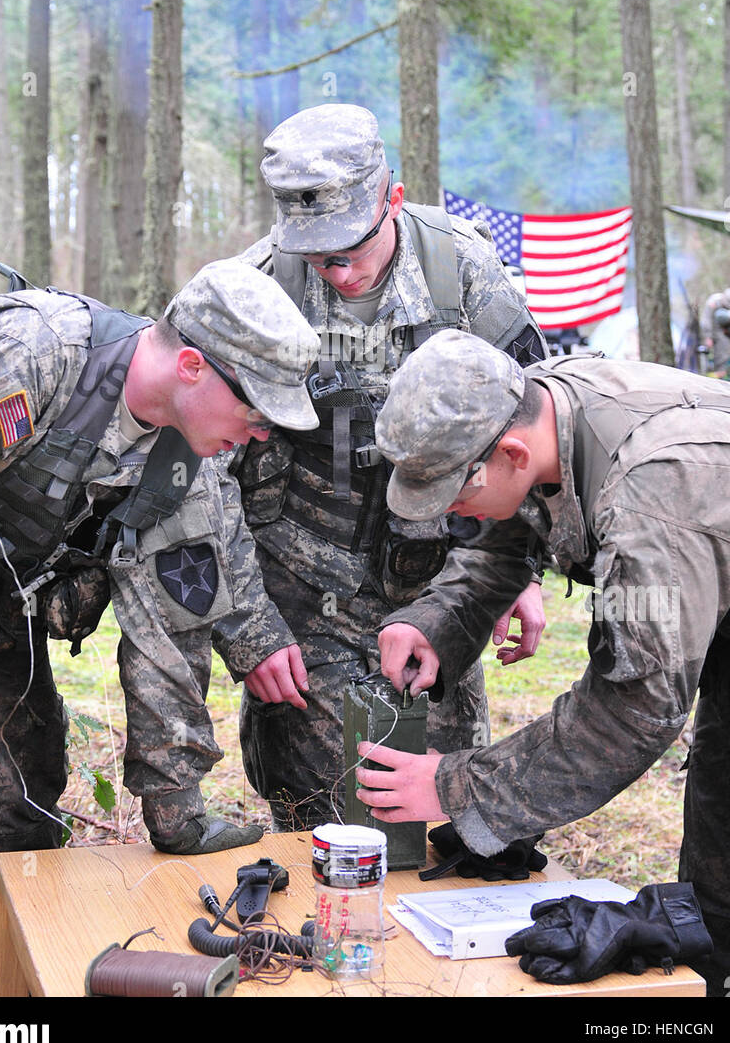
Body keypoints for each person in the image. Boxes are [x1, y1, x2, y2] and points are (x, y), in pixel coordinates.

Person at [0, 258, 320, 994]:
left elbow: (170, 630)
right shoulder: (34, 354)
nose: (256, 437)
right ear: (192, 366)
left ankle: (7, 1000)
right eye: (253, 412)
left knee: (14, 810)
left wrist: (175, 806)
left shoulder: (189, 457)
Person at [356, 327, 730, 995]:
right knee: (713, 901)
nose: (452, 518)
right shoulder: (539, 408)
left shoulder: (652, 493)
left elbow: (632, 711)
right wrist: (440, 620)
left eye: (453, 501)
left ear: (510, 453)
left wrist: (460, 787)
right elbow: (509, 531)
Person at [220, 103, 548, 830]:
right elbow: (204, 481)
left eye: (350, 251)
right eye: (316, 256)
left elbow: (529, 420)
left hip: (436, 579)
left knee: (443, 808)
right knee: (326, 821)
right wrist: (252, 628)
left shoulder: (462, 271)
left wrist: (515, 572)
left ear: (392, 199)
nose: (334, 273)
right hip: (303, 583)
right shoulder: (254, 291)